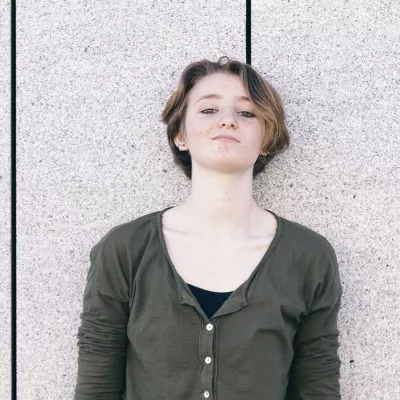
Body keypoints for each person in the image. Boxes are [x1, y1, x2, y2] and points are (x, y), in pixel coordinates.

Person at [74, 56, 342, 399]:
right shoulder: (126, 249)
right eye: (208, 110)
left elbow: (317, 384)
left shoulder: (309, 256)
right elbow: (98, 382)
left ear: (266, 139)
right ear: (180, 135)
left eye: (247, 113)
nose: (228, 121)